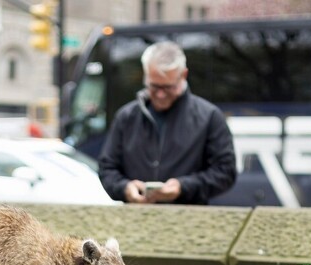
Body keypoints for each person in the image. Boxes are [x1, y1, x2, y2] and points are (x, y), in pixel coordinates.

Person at [98, 41, 236, 205]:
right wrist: (125, 188)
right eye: (154, 86)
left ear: (183, 75)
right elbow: (107, 168)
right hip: (135, 220)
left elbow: (225, 172)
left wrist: (183, 187)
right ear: (145, 75)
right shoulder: (126, 117)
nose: (161, 95)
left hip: (189, 222)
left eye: (168, 87)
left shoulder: (210, 117)